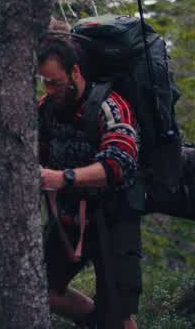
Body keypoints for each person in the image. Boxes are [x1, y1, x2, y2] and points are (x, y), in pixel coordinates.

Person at [36, 24, 142, 329]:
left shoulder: (111, 107)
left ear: (75, 73)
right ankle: (95, 321)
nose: (50, 90)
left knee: (120, 316)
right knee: (39, 288)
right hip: (69, 220)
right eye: (45, 83)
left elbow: (119, 163)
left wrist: (64, 178)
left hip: (114, 218)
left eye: (56, 83)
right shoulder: (45, 110)